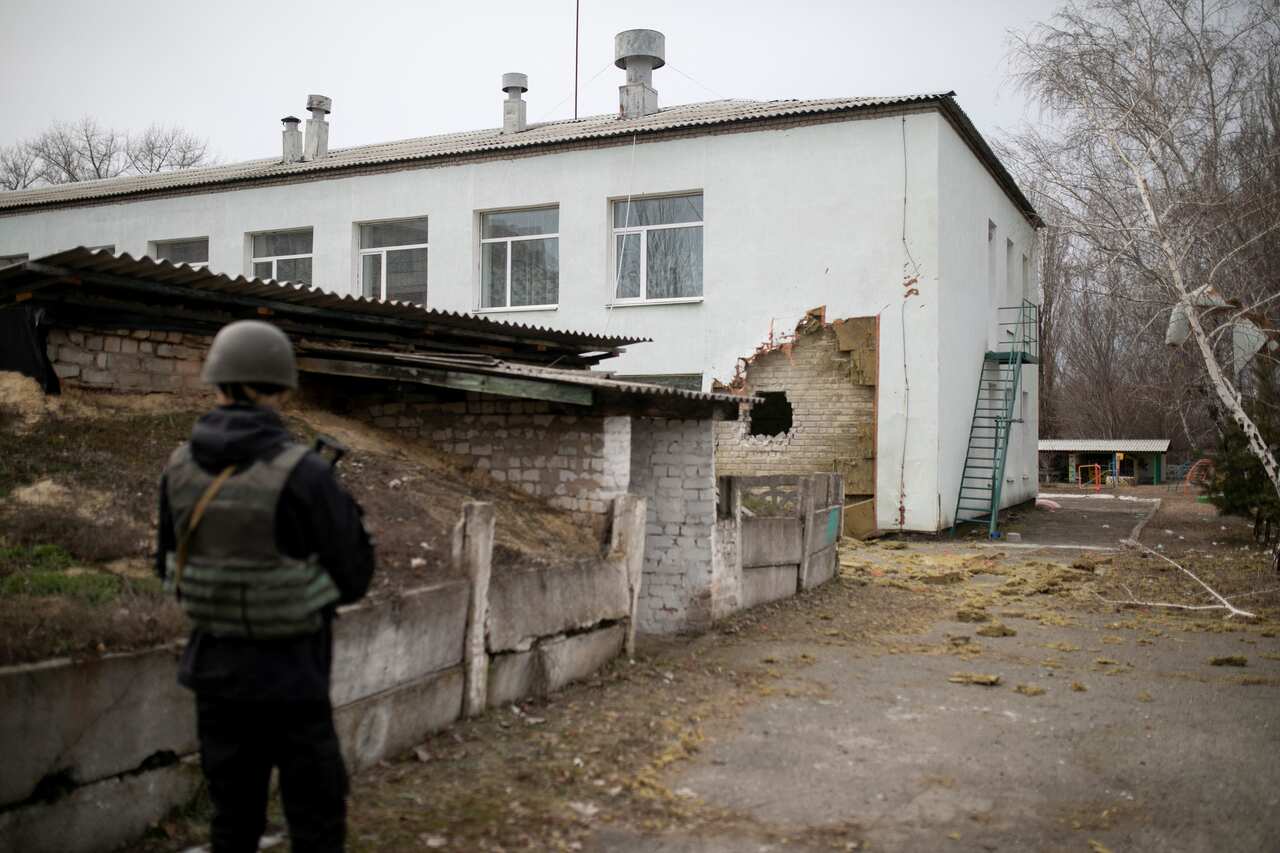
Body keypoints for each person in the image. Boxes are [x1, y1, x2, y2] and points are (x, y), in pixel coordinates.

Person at [156, 320, 375, 853]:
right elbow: (354, 577)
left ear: (217, 383)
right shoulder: (306, 473)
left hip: (213, 673)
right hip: (293, 676)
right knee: (316, 818)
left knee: (233, 820)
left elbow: (167, 568)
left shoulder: (178, 469)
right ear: (279, 388)